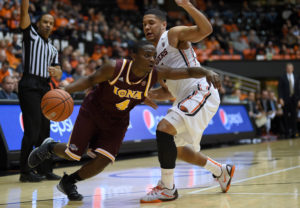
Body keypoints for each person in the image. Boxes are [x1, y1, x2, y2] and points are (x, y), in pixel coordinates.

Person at [27, 40, 221, 201]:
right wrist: (65, 91)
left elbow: (186, 72)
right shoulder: (115, 67)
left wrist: (206, 72)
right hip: (93, 112)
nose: (152, 59)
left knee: (103, 161)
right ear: (133, 56)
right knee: (73, 154)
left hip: (117, 121)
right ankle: (50, 147)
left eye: (153, 55)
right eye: (147, 55)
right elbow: (89, 80)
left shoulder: (156, 72)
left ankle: (69, 182)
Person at [141, 2, 235, 203]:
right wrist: (146, 94)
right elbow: (167, 92)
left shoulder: (172, 35)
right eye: (144, 25)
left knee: (163, 128)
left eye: (151, 23)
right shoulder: (153, 57)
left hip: (201, 89)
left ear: (163, 24)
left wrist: (187, 5)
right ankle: (221, 171)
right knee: (179, 149)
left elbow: (206, 30)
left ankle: (167, 187)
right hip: (185, 97)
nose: (147, 27)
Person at [18, 0, 62, 182]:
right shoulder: (31, 36)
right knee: (32, 130)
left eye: (51, 23)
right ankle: (25, 172)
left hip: (45, 87)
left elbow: (58, 70)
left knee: (45, 132)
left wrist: (57, 72)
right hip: (29, 85)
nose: (48, 25)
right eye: (45, 22)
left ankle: (45, 169)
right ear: (38, 24)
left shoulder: (53, 49)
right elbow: (23, 14)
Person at [278, 62, 300, 138]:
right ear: (286, 69)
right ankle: (287, 132)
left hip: (294, 100)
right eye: (288, 68)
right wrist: (280, 98)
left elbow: (298, 89)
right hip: (285, 100)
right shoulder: (282, 77)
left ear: (293, 69)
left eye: (291, 68)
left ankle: (294, 132)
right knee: (286, 116)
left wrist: (299, 100)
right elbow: (280, 89)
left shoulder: (296, 77)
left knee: (294, 116)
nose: (289, 69)